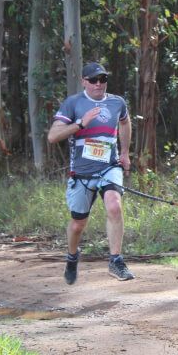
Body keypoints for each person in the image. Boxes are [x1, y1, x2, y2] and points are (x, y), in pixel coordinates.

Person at [47, 62, 134, 284]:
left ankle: (116, 260)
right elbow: (53, 136)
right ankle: (72, 256)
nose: (98, 84)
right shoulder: (73, 103)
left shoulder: (117, 103)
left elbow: (125, 123)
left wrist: (124, 153)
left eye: (102, 79)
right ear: (84, 81)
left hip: (109, 167)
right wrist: (80, 124)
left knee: (114, 206)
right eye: (93, 80)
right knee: (78, 225)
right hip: (82, 173)